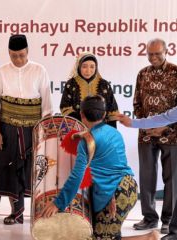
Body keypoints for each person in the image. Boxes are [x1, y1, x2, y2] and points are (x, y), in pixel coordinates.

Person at [42, 95, 159, 240]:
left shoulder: (87, 141)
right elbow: (113, 167)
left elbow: (76, 176)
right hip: (127, 187)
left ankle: (149, 238)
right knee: (101, 234)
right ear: (104, 114)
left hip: (117, 193)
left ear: (81, 114)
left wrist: (58, 203)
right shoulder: (115, 133)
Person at [0, 34, 53, 224]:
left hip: (33, 130)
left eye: (21, 55)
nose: (18, 59)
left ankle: (37, 213)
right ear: (8, 53)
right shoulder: (1, 72)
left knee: (33, 170)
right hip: (7, 129)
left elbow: (47, 106)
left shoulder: (39, 70)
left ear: (28, 52)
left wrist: (43, 135)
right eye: (14, 56)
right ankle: (14, 212)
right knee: (10, 169)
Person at [133, 38, 177, 233]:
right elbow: (137, 104)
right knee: (147, 176)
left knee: (172, 178)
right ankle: (149, 217)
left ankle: (169, 219)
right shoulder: (142, 74)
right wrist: (146, 125)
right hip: (146, 135)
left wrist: (164, 127)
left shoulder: (176, 73)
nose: (153, 57)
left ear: (167, 52)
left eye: (157, 53)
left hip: (172, 135)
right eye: (150, 54)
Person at [117, 108, 177, 240]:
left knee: (172, 179)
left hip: (171, 138)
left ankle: (169, 223)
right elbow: (166, 117)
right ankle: (173, 232)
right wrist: (133, 123)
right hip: (149, 133)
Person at [60, 52, 119, 127]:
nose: (88, 70)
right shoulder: (71, 84)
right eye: (84, 66)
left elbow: (112, 110)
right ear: (79, 66)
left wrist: (111, 132)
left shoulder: (104, 85)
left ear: (96, 67)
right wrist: (82, 121)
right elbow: (65, 108)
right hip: (77, 128)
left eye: (92, 67)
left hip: (101, 129)